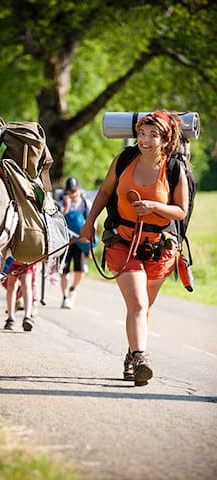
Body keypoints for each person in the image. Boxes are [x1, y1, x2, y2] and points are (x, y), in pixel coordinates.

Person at [80, 110, 188, 387]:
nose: (145, 139)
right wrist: (89, 224)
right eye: (141, 133)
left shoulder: (174, 169)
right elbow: (104, 193)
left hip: (158, 248)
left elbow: (180, 210)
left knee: (145, 307)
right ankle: (140, 358)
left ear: (165, 140)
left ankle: (130, 355)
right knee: (138, 304)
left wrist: (155, 207)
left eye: (153, 135)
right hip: (123, 242)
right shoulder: (124, 160)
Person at [60, 177, 94, 309]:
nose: (72, 194)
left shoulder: (86, 204)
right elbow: (59, 221)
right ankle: (64, 297)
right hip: (66, 242)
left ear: (79, 190)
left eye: (74, 191)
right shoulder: (63, 204)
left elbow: (92, 221)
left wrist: (90, 239)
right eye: (69, 191)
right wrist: (67, 206)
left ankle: (72, 288)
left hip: (81, 241)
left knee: (79, 270)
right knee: (64, 270)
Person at [3, 257, 40, 331]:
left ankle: (27, 317)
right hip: (13, 258)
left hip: (27, 258)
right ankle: (10, 318)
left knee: (26, 284)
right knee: (11, 286)